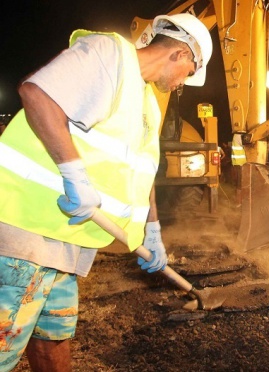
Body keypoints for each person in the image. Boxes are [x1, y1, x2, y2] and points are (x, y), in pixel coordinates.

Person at [0, 13, 213, 371]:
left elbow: (141, 171)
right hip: (25, 233)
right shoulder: (110, 53)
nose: (183, 84)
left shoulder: (144, 102)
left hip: (64, 244)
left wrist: (151, 229)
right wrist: (74, 174)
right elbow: (35, 93)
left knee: (52, 341)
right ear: (180, 52)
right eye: (190, 72)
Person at [231, 133, 246, 207]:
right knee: (240, 184)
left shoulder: (236, 136)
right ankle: (238, 202)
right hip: (240, 163)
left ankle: (238, 201)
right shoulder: (238, 136)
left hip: (238, 163)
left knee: (239, 183)